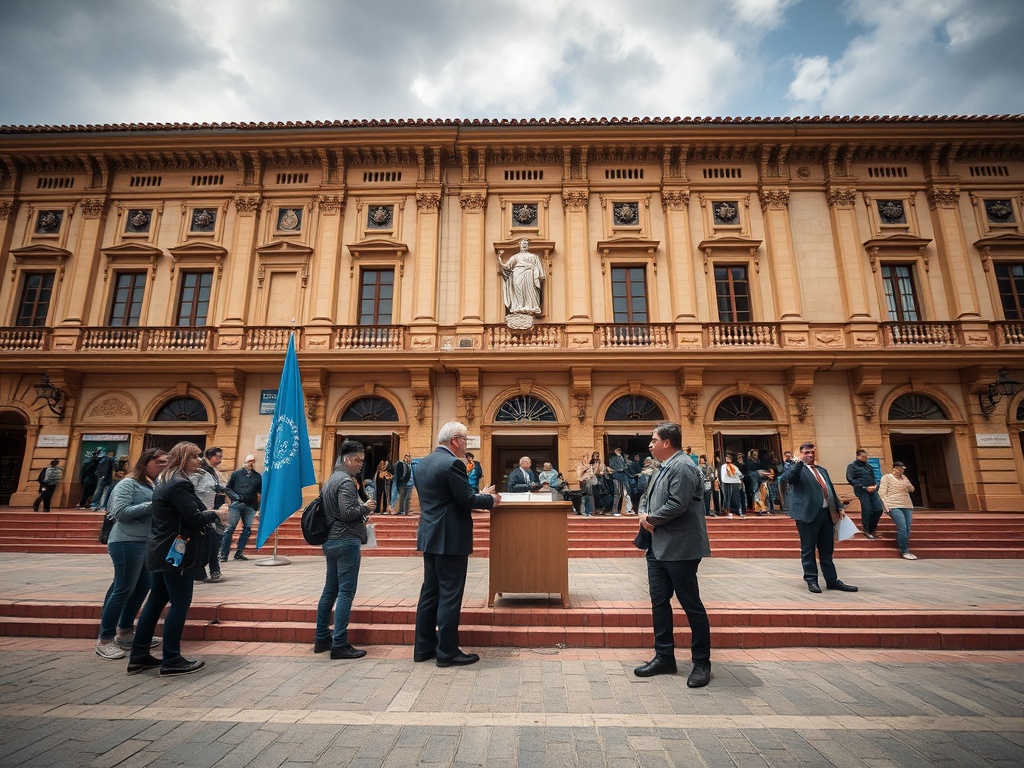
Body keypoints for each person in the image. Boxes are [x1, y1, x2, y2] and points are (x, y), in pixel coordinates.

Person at [127, 441, 228, 677]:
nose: (200, 460)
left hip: (161, 547)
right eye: (195, 456)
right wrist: (216, 514)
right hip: (176, 551)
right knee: (180, 604)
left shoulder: (165, 480)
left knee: (155, 601)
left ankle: (139, 655)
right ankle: (171, 658)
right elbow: (193, 517)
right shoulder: (178, 483)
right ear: (183, 458)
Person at [413, 421, 500, 667]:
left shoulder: (423, 463)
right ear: (455, 440)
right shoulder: (453, 463)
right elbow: (466, 500)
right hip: (450, 537)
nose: (467, 444)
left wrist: (478, 493)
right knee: (450, 594)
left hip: (430, 535)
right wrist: (491, 499)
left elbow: (444, 497)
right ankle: (447, 652)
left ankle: (423, 647)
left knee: (430, 593)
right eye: (465, 439)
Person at [635, 422, 712, 688]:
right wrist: (644, 513)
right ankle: (665, 656)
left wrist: (650, 520)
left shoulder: (684, 465)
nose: (650, 444)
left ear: (667, 442)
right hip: (658, 547)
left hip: (680, 548)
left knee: (691, 605)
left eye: (653, 440)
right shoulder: (662, 466)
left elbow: (678, 505)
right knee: (659, 602)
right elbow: (647, 496)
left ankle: (702, 663)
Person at [95, 448, 168, 660]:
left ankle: (125, 632)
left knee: (142, 587)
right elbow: (120, 513)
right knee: (123, 589)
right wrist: (154, 504)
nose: (163, 467)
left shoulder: (153, 484)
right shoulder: (128, 483)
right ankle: (105, 639)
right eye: (160, 462)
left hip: (146, 543)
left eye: (166, 463)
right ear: (146, 461)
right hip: (126, 541)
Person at [314, 440, 377, 659]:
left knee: (330, 590)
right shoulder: (346, 482)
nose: (361, 464)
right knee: (346, 593)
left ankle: (322, 637)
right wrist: (366, 507)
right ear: (347, 459)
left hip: (331, 540)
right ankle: (339, 643)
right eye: (358, 460)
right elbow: (348, 511)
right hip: (345, 540)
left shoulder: (331, 480)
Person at [779, 443, 858, 594]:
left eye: (812, 452)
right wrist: (800, 462)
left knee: (827, 550)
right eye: (807, 452)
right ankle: (811, 580)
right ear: (801, 453)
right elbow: (788, 479)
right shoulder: (796, 468)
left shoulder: (822, 470)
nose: (810, 454)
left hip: (826, 514)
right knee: (808, 549)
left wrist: (839, 506)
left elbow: (830, 489)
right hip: (807, 514)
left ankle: (832, 580)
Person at [190, 446, 225, 582]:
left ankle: (211, 569)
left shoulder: (214, 472)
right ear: (209, 456)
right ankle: (201, 570)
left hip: (214, 511)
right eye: (218, 456)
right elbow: (191, 490)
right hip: (201, 511)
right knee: (208, 543)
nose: (220, 460)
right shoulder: (200, 471)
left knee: (214, 542)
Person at [221, 454, 261, 562]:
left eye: (253, 461)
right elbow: (228, 488)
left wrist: (259, 507)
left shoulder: (257, 476)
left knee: (247, 530)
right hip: (236, 505)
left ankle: (239, 552)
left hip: (250, 506)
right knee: (229, 529)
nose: (251, 463)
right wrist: (235, 498)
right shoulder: (236, 474)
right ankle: (223, 554)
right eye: (249, 461)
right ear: (245, 462)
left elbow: (260, 491)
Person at [878, 461, 918, 560]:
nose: (902, 471)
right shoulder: (886, 477)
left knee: (908, 528)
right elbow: (881, 493)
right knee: (902, 527)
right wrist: (886, 506)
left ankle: (905, 547)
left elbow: (912, 489)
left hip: (906, 504)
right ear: (895, 468)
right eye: (900, 469)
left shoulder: (904, 478)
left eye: (903, 469)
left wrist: (907, 484)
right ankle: (904, 550)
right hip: (893, 504)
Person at [497, 238, 545, 315]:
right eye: (523, 244)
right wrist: (499, 258)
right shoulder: (515, 257)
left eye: (526, 244)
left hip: (529, 274)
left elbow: (539, 268)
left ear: (528, 245)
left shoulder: (534, 256)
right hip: (517, 274)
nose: (524, 245)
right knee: (518, 290)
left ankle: (531, 306)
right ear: (520, 245)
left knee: (530, 290)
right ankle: (519, 306)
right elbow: (506, 266)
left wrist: (540, 275)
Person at [847, 448, 884, 539]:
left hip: (872, 489)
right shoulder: (852, 466)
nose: (865, 459)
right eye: (863, 457)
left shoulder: (868, 466)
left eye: (866, 457)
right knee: (867, 509)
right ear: (858, 456)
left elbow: (874, 477)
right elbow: (850, 478)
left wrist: (875, 486)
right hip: (862, 490)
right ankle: (866, 529)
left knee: (878, 508)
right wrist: (863, 487)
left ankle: (872, 528)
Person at [608, 447, 631, 515]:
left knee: (624, 494)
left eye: (619, 450)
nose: (619, 451)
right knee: (617, 494)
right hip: (616, 477)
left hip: (623, 478)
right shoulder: (612, 459)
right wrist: (620, 468)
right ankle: (615, 511)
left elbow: (624, 467)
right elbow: (617, 467)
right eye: (617, 450)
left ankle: (621, 510)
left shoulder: (622, 458)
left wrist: (619, 456)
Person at [719, 453, 743, 517]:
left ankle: (737, 510)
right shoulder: (723, 466)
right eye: (727, 458)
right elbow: (722, 476)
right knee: (727, 497)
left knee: (736, 497)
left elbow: (739, 474)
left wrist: (739, 479)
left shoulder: (734, 466)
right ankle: (727, 511)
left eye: (729, 458)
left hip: (734, 483)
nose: (728, 459)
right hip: (726, 483)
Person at [576, 452, 597, 517]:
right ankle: (583, 511)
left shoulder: (590, 466)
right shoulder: (580, 466)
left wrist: (590, 475)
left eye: (586, 457)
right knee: (583, 497)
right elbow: (578, 475)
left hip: (589, 482)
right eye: (584, 457)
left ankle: (589, 511)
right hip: (583, 482)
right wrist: (584, 471)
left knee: (589, 497)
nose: (585, 459)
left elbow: (592, 474)